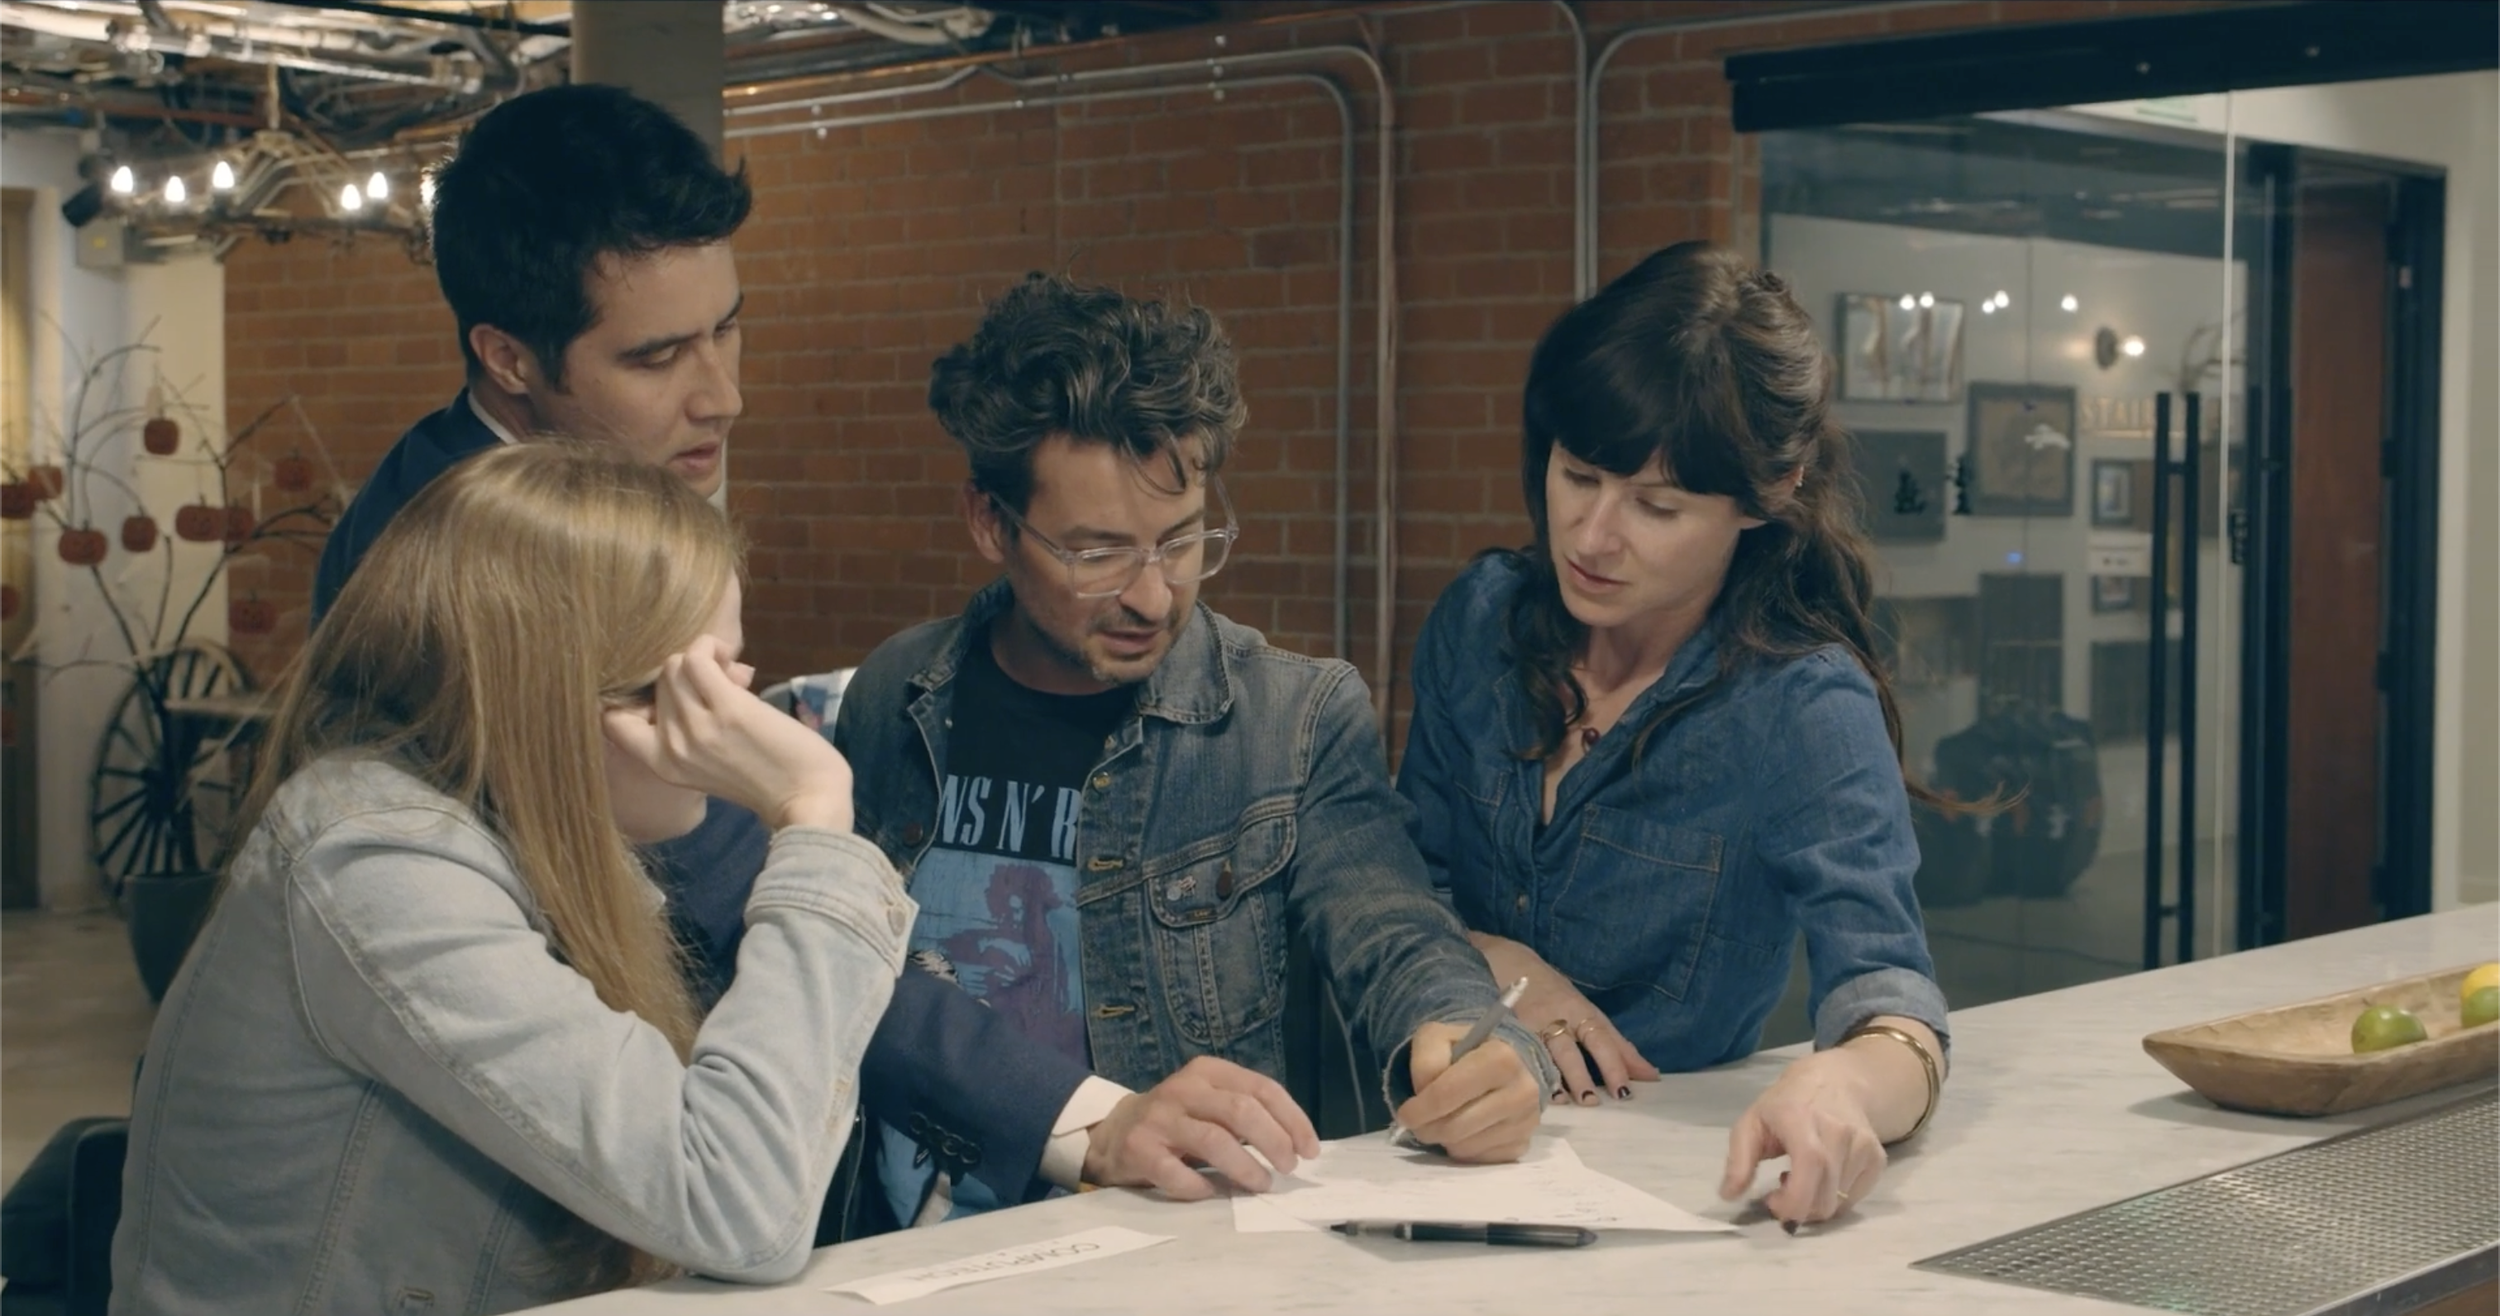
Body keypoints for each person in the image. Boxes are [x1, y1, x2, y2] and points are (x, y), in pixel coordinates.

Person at [306, 84, 1112, 1233]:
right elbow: (725, 880)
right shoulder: (466, 560)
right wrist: (1075, 1116)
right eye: (656, 355)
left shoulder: (584, 482)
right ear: (509, 357)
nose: (724, 395)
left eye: (726, 327)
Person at [112, 444, 911, 1314]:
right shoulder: (382, 863)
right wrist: (812, 809)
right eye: (695, 686)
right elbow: (738, 1204)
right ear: (559, 693)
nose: (736, 714)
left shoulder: (517, 834)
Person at [835, 273, 1556, 1227]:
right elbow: (846, 989)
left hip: (1163, 1250)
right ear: (990, 523)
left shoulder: (1288, 719)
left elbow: (1395, 928)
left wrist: (1473, 1041)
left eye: (1180, 541)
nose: (1151, 596)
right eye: (1098, 553)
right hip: (892, 1256)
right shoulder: (894, 696)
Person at [1397, 241, 1951, 1232]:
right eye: (1577, 474)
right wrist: (1495, 957)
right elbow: (1396, 886)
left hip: (1654, 1193)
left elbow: (1889, 995)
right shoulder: (1481, 621)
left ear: (1769, 492)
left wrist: (1845, 1087)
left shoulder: (1799, 705)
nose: (1591, 535)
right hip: (1423, 1159)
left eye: (1656, 506)